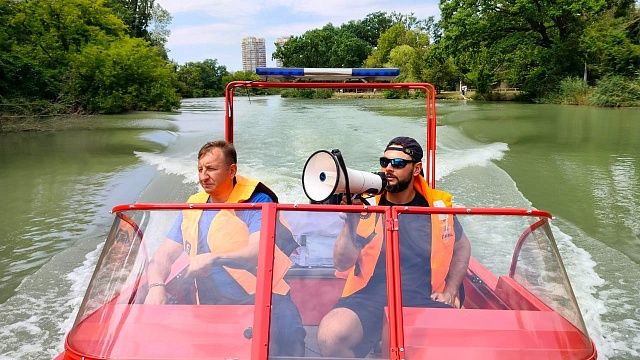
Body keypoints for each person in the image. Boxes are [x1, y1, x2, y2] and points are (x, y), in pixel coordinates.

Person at [144, 140, 305, 357]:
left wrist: (214, 258)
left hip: (264, 298)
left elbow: (259, 249)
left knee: (288, 343)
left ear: (232, 170)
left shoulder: (256, 201)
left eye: (211, 169)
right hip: (213, 305)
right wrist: (156, 286)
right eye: (200, 169)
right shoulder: (193, 205)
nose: (203, 176)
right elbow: (163, 256)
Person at [317, 136, 471, 358]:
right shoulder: (367, 206)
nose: (388, 168)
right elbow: (342, 262)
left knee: (458, 342)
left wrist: (451, 290)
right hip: (370, 292)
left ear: (416, 168)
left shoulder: (435, 208)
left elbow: (462, 247)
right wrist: (350, 220)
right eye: (384, 162)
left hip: (423, 294)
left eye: (398, 164)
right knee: (330, 336)